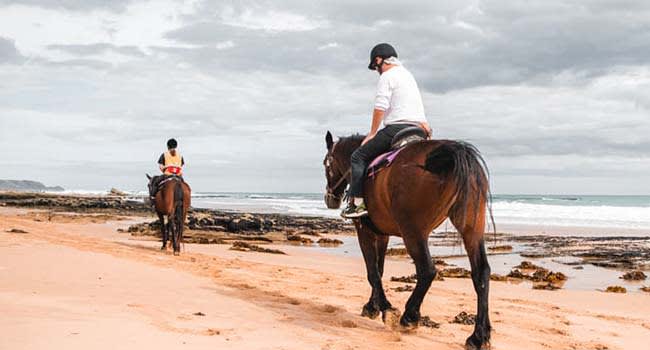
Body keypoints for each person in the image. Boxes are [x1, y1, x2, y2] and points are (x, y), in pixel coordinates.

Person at [341, 43, 431, 218]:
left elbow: (380, 106)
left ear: (378, 60)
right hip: (418, 128)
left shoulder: (387, 76)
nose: (377, 71)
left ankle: (358, 204)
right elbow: (414, 103)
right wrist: (424, 124)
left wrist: (373, 132)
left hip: (397, 128)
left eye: (375, 67)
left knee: (357, 157)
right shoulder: (408, 75)